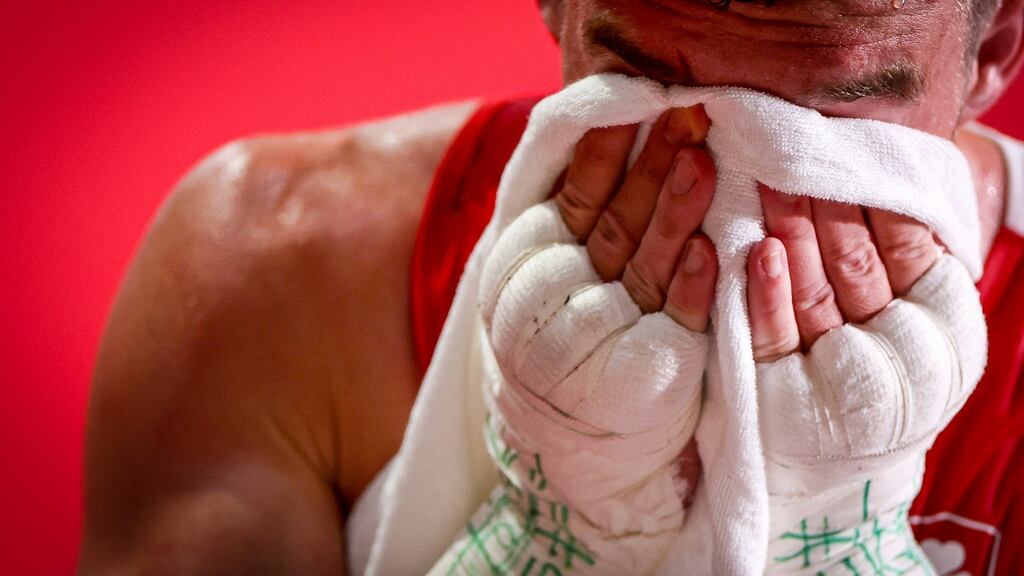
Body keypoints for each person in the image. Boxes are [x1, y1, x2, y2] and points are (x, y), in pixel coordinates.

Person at [79, 1, 1024, 574]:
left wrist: (831, 536)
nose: (714, 168)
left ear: (992, 53)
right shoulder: (278, 269)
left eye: (822, 119)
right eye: (641, 82)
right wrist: (577, 534)